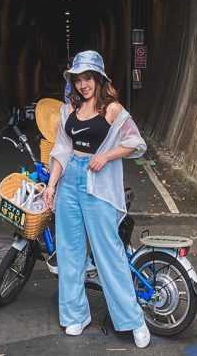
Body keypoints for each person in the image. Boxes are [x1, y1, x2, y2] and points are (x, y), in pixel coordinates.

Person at [46, 50, 150, 349]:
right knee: (70, 252)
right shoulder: (68, 111)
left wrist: (106, 155)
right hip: (69, 183)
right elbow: (61, 151)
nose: (83, 85)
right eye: (78, 79)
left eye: (88, 78)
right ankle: (75, 314)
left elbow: (136, 144)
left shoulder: (113, 110)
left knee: (109, 252)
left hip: (98, 184)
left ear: (99, 79)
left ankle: (133, 319)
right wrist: (51, 186)